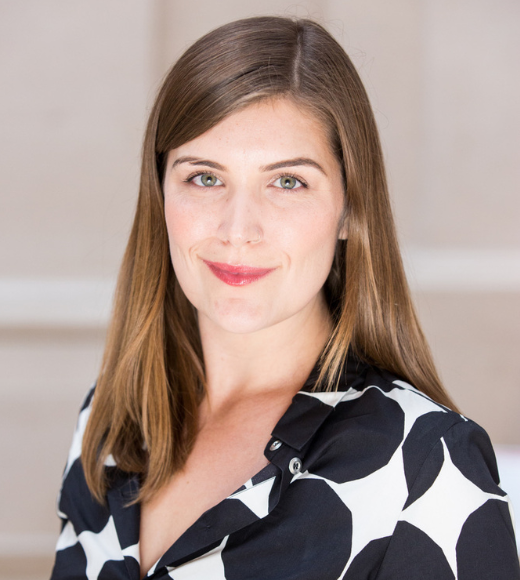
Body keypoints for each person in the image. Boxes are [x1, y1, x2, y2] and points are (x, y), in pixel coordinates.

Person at [50, 16, 520, 580]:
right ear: (160, 195)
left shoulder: (424, 467)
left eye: (287, 182)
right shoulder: (112, 419)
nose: (238, 228)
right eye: (204, 177)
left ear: (350, 209)